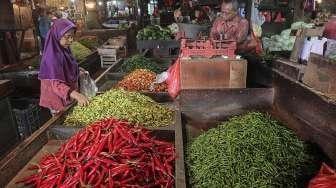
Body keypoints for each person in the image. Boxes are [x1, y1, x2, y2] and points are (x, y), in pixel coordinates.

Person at [39, 19, 89, 116]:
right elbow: (56, 85)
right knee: (64, 118)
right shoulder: (52, 57)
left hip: (68, 93)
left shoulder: (64, 50)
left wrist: (77, 71)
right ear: (57, 35)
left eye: (72, 37)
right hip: (57, 98)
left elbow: (66, 68)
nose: (71, 40)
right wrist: (77, 95)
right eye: (67, 37)